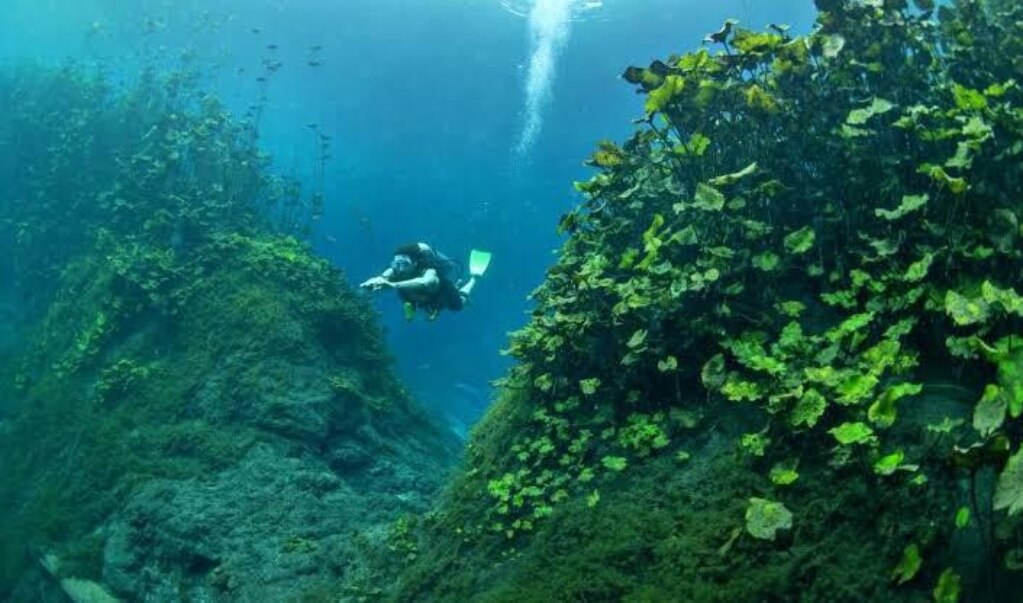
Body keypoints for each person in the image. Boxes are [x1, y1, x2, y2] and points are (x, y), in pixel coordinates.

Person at [360, 242, 491, 320]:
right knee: (412, 301)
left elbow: (426, 282)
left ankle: (474, 278)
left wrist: (393, 284)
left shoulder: (429, 271)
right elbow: (382, 277)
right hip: (422, 299)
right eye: (396, 264)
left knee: (458, 305)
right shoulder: (395, 271)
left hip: (442, 294)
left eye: (404, 264)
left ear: (416, 263)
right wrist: (370, 283)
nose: (399, 268)